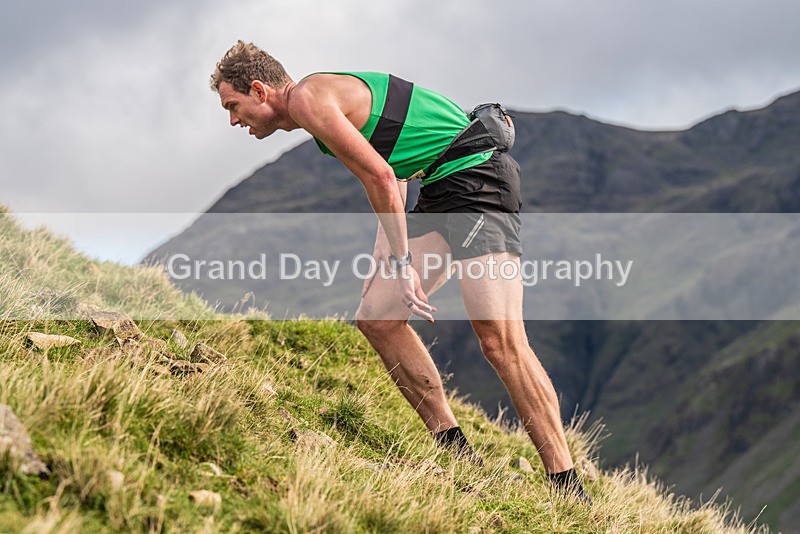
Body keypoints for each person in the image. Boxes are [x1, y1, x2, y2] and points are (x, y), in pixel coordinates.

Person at [210, 40, 590, 503]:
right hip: (440, 185)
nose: (234, 121)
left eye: (233, 106)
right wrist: (387, 257)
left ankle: (567, 487)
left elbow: (382, 179)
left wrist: (404, 262)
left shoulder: (309, 99)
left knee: (500, 340)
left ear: (259, 90)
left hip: (477, 179)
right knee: (378, 317)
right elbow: (394, 170)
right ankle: (456, 454)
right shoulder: (317, 105)